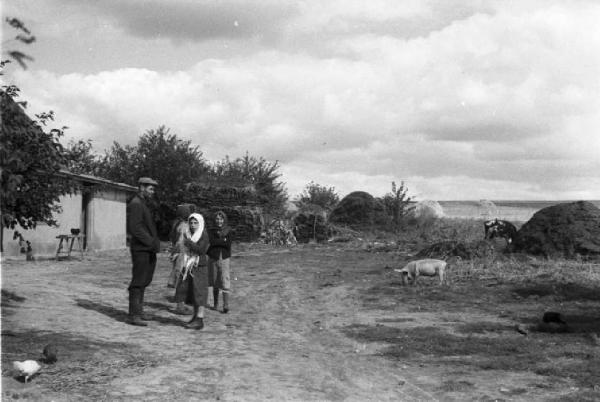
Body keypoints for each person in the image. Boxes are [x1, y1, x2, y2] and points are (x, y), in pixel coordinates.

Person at [126, 177, 161, 326]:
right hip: (141, 249)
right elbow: (136, 229)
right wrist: (151, 242)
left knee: (145, 280)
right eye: (150, 189)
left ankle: (139, 311)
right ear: (141, 187)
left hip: (147, 249)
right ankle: (134, 315)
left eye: (153, 189)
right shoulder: (135, 204)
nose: (152, 192)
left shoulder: (143, 204)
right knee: (138, 281)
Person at [174, 213, 210, 330]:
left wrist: (189, 243)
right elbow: (184, 247)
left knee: (200, 292)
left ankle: (200, 319)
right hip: (190, 266)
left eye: (195, 223)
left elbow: (201, 250)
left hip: (200, 266)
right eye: (191, 222)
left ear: (200, 223)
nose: (193, 225)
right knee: (193, 292)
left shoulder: (203, 234)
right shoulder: (189, 234)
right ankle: (195, 317)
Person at [167, 204, 196, 315]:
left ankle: (180, 302)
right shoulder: (184, 226)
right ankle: (180, 305)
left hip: (178, 254)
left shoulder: (177, 225)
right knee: (182, 279)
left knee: (180, 278)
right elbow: (183, 242)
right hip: (182, 255)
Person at [207, 210, 233, 313]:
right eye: (217, 219)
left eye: (221, 219)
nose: (219, 221)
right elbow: (211, 242)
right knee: (214, 279)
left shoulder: (228, 230)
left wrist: (219, 242)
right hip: (213, 257)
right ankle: (215, 304)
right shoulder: (210, 231)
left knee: (225, 279)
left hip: (224, 258)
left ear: (224, 219)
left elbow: (228, 245)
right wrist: (222, 241)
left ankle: (225, 305)